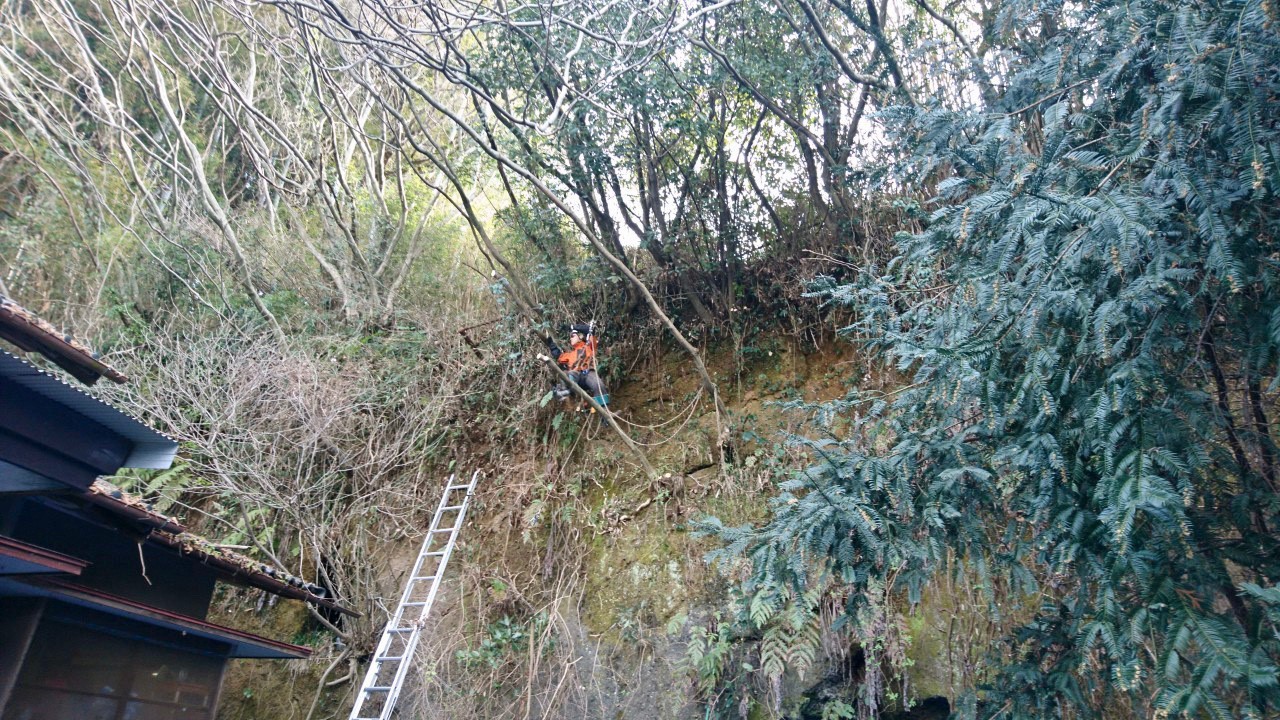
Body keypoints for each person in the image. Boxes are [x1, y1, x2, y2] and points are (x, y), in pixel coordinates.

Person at [544, 323, 607, 407]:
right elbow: (559, 356)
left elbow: (591, 330)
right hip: (575, 377)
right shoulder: (570, 355)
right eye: (570, 337)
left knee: (598, 385)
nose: (570, 338)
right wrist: (551, 345)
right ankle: (564, 391)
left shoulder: (589, 346)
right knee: (567, 373)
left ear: (580, 336)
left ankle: (605, 412)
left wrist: (572, 327)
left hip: (588, 373)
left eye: (572, 336)